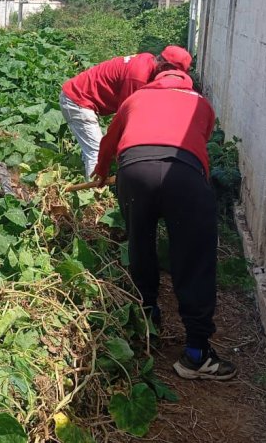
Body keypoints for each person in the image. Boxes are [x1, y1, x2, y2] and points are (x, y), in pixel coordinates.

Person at [91, 69, 237, 381]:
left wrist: (102, 171)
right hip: (183, 174)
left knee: (140, 244)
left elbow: (109, 141)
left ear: (154, 78)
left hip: (134, 171)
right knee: (194, 259)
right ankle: (196, 354)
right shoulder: (201, 103)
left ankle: (146, 320)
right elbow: (198, 144)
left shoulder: (135, 98)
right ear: (188, 81)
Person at [59, 46, 192, 178]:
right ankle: (93, 188)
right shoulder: (138, 78)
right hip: (78, 99)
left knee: (93, 148)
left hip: (84, 98)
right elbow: (126, 118)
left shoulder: (147, 60)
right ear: (164, 67)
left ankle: (88, 176)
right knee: (96, 153)